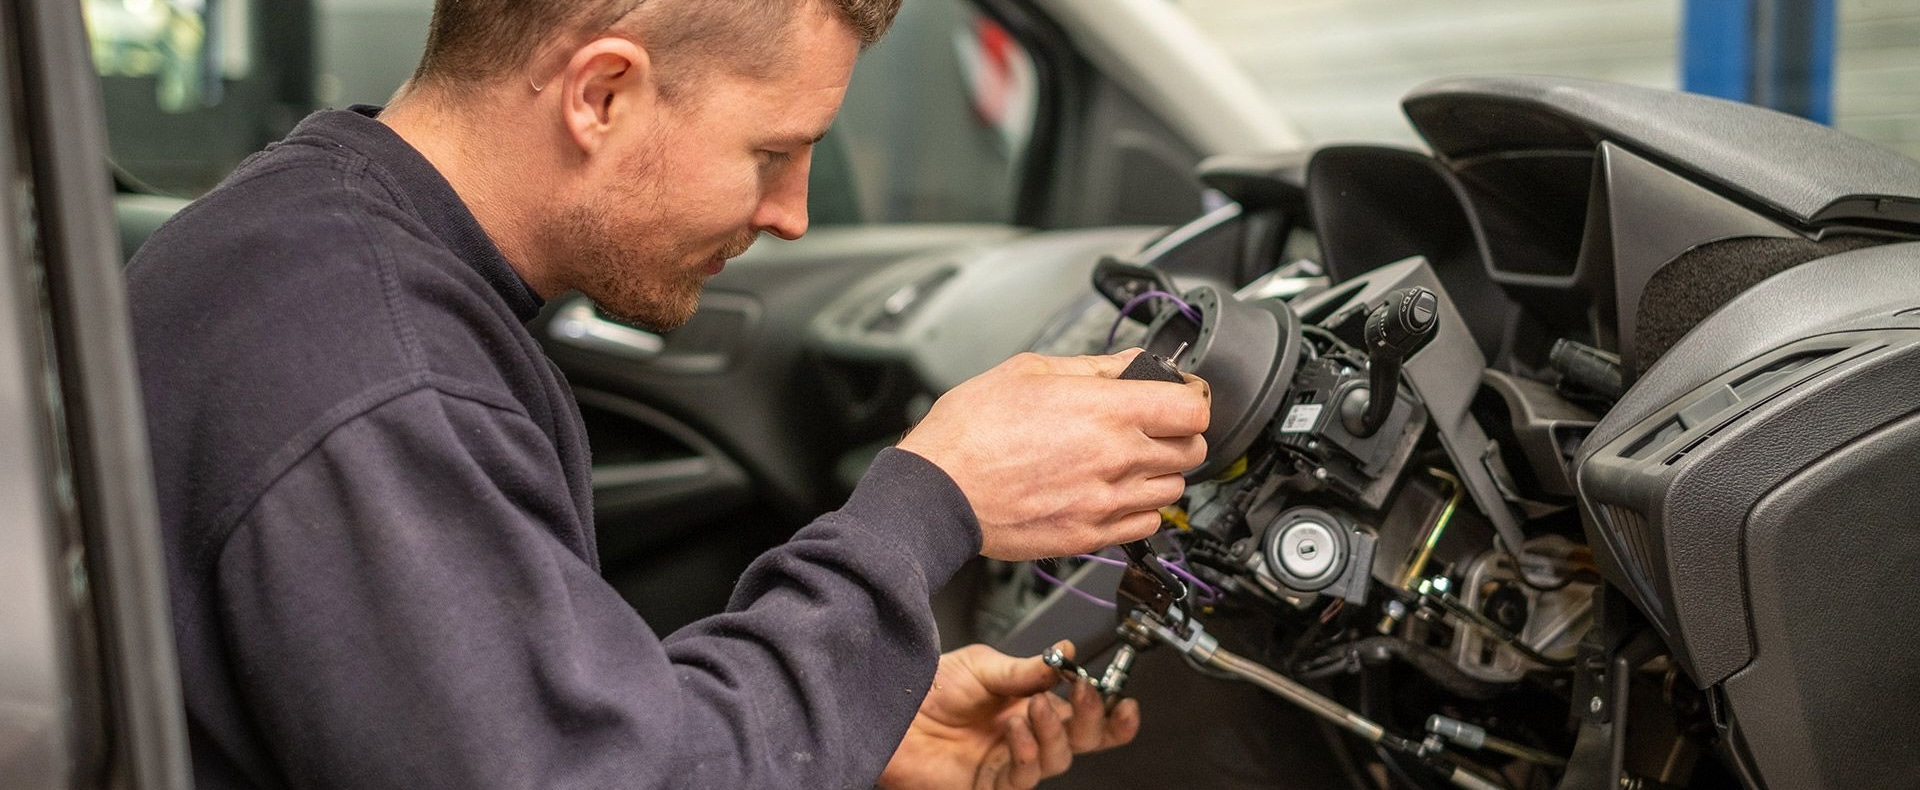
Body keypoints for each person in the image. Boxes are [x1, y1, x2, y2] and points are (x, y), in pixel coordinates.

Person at [126, 0, 1211, 788]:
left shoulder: (314, 237)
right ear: (602, 92)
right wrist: (932, 498)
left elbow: (526, 715)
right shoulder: (382, 371)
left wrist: (859, 720)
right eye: (772, 151)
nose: (791, 211)